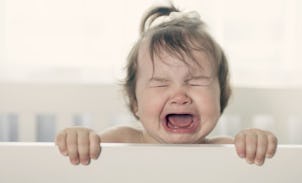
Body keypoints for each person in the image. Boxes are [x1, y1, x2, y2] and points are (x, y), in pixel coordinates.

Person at [55, 4, 277, 166]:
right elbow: (84, 148)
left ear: (221, 98)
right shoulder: (120, 142)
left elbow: (263, 164)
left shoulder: (229, 151)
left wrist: (255, 142)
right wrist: (79, 138)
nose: (179, 96)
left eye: (195, 81)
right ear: (135, 103)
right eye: (160, 84)